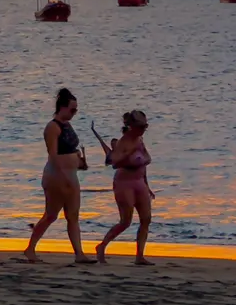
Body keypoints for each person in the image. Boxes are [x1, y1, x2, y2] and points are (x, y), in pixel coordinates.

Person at [24, 88, 92, 264]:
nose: (74, 113)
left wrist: (79, 161)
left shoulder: (68, 125)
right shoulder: (52, 127)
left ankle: (79, 253)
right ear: (62, 107)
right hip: (57, 177)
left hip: (71, 175)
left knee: (73, 215)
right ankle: (30, 249)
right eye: (72, 110)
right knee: (51, 215)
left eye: (76, 110)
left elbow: (70, 149)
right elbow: (53, 155)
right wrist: (64, 176)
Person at [95, 110, 155, 265]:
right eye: (141, 126)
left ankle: (139, 255)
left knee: (146, 219)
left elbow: (143, 162)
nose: (144, 129)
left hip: (139, 181)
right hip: (124, 182)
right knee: (125, 221)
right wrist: (129, 153)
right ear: (131, 126)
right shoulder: (123, 142)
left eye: (145, 126)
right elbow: (114, 163)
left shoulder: (140, 139)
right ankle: (101, 246)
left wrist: (147, 186)